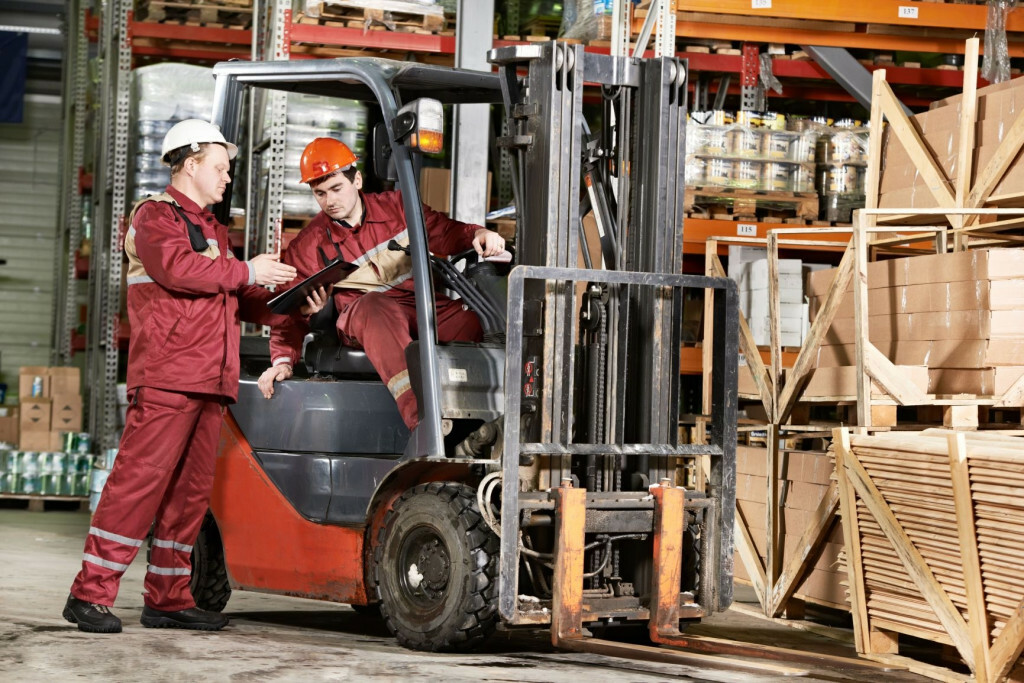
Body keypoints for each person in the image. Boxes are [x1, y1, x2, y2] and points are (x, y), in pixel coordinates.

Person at [63, 119, 302, 634]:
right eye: (220, 167)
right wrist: (248, 272)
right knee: (138, 483)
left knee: (189, 495)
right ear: (190, 164)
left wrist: (288, 297)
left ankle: (168, 597)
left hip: (210, 381)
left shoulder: (214, 229)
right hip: (170, 374)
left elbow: (230, 294)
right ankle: (89, 594)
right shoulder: (155, 216)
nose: (226, 177)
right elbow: (178, 271)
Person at [257, 137, 505, 430]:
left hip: (419, 307)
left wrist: (476, 234)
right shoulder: (309, 245)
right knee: (374, 306)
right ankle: (425, 423)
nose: (330, 201)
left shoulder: (398, 207)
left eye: (336, 189)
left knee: (478, 319)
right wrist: (282, 361)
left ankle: (492, 417)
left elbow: (443, 231)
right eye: (320, 193)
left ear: (357, 180)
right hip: (365, 319)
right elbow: (287, 313)